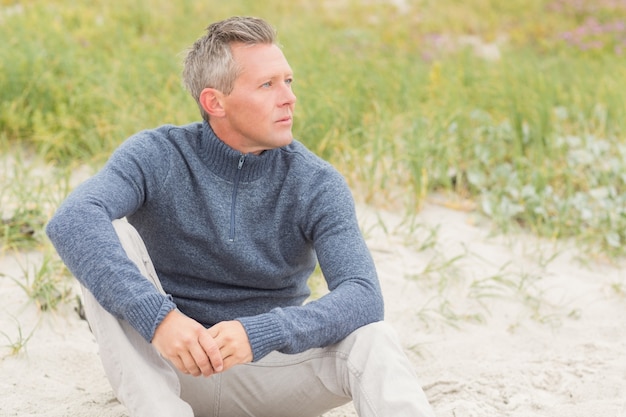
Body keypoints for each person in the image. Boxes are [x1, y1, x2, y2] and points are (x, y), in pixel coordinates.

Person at [46, 16, 435, 417]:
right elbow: (72, 218)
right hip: (169, 368)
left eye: (288, 81)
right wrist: (161, 321)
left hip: (273, 373)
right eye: (267, 85)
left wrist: (261, 331)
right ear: (215, 102)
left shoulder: (316, 183)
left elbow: (363, 295)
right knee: (104, 236)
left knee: (374, 338)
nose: (288, 98)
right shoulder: (156, 154)